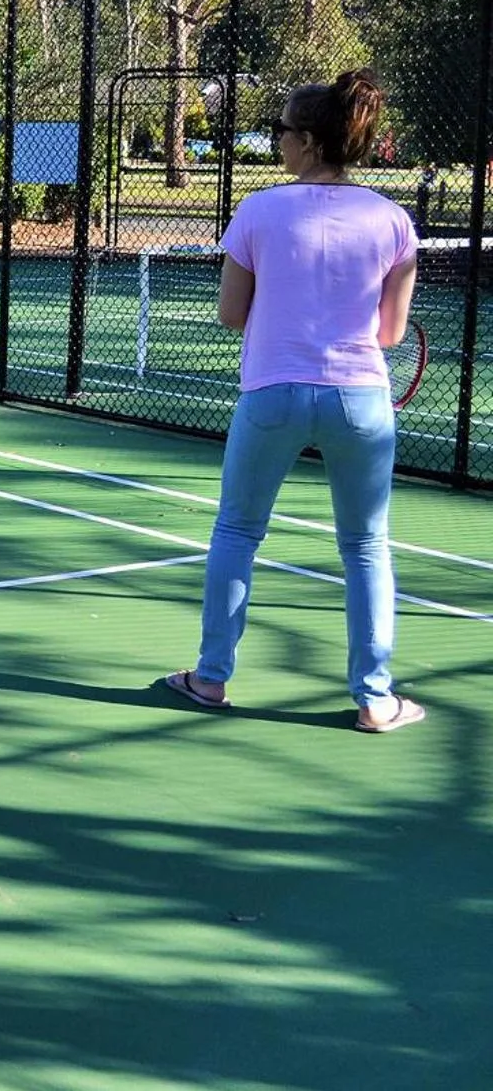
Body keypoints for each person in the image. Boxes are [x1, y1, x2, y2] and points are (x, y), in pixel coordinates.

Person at [164, 68, 424, 732]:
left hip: (273, 394)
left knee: (237, 531)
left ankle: (211, 679)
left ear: (308, 140)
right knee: (366, 547)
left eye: (281, 130)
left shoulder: (258, 210)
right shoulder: (393, 220)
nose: (276, 139)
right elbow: (390, 333)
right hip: (360, 401)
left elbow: (230, 313)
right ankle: (375, 699)